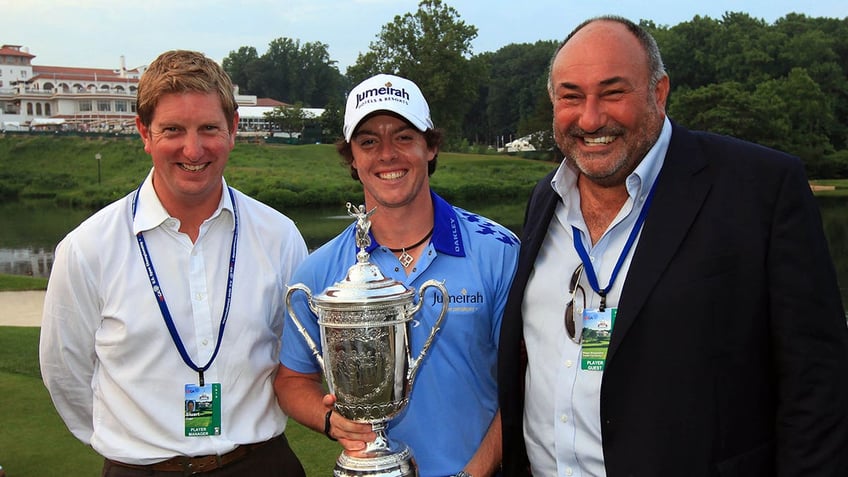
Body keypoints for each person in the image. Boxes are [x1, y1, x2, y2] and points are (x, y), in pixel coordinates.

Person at [498, 15, 848, 477]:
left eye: (613, 92)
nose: (590, 117)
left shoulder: (760, 189)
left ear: (658, 93)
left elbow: (818, 386)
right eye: (571, 96)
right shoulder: (547, 197)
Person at [39, 50, 308, 476]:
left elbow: (297, 358)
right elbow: (64, 372)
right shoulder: (88, 247)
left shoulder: (279, 236)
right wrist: (131, 443)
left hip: (260, 463)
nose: (193, 148)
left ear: (233, 129)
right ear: (144, 133)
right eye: (172, 130)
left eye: (208, 128)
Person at [275, 73, 519, 477]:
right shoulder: (321, 269)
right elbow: (291, 378)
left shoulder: (498, 251)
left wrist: (475, 473)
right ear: (352, 157)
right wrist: (331, 422)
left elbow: (524, 382)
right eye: (368, 141)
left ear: (431, 146)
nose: (387, 154)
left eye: (404, 137)